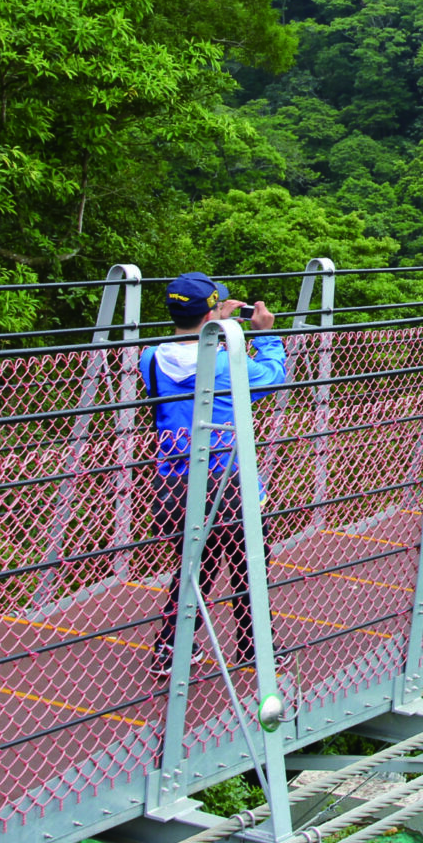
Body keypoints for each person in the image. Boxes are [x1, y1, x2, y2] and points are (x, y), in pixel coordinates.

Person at [141, 272, 287, 678]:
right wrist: (263, 335)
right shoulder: (227, 362)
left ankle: (170, 648)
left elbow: (189, 353)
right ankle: (257, 647)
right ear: (209, 312)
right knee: (247, 565)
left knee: (197, 565)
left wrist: (213, 323)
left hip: (174, 483)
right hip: (229, 483)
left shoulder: (150, 357)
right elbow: (272, 377)